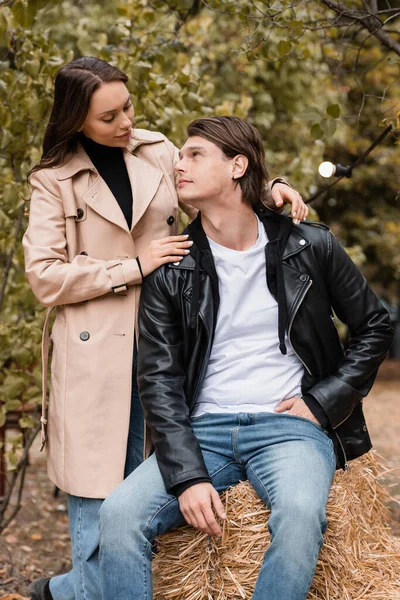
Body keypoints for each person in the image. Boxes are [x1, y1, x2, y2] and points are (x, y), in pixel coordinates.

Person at [22, 58, 305, 600]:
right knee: (99, 494)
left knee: (157, 494)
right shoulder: (52, 181)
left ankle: (62, 593)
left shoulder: (154, 149)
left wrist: (274, 189)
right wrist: (135, 265)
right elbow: (44, 278)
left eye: (127, 106)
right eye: (109, 117)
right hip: (94, 355)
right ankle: (77, 587)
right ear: (77, 120)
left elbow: (220, 181)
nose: (126, 121)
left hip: (176, 343)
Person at [98, 116, 393, 600]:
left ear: (238, 165)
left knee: (299, 517)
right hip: (204, 430)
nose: (180, 162)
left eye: (195, 154)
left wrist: (322, 404)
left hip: (290, 428)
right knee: (118, 518)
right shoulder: (172, 268)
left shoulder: (309, 244)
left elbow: (374, 325)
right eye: (181, 154)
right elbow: (158, 378)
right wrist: (188, 476)